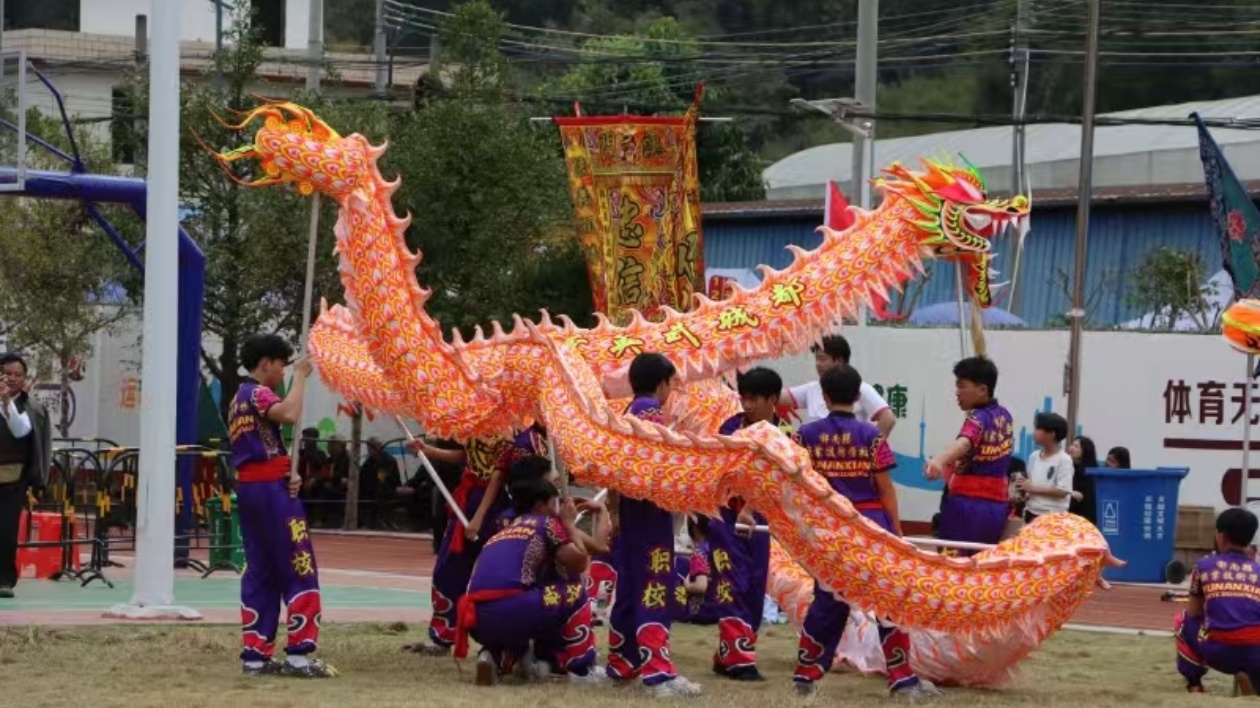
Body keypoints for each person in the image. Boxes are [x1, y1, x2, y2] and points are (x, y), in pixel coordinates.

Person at [792, 364, 939, 700]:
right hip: (871, 527)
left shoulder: (805, 436)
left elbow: (799, 485)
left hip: (829, 527)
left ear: (825, 397)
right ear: (858, 396)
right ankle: (902, 678)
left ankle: (806, 672)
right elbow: (885, 487)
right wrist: (897, 531)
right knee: (888, 599)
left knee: (828, 601)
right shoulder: (872, 436)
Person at [228, 333, 336, 678]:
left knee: (261, 570)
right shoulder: (259, 393)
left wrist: (286, 473)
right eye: (282, 365)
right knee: (298, 564)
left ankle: (255, 657)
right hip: (272, 495)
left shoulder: (237, 399)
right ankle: (300, 656)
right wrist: (302, 378)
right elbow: (288, 414)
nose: (283, 372)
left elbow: (263, 448)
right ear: (267, 363)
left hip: (253, 490)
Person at [605, 352, 703, 698]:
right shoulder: (651, 414)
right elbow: (661, 469)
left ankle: (622, 663)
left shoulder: (628, 412)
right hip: (650, 512)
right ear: (661, 384)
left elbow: (616, 469)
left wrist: (615, 512)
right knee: (654, 587)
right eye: (670, 385)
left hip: (632, 512)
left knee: (632, 585)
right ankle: (658, 673)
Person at [454, 477, 608, 686]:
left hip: (475, 619)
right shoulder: (548, 524)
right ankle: (581, 669)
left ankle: (492, 657)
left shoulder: (505, 528)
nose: (557, 508)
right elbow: (580, 563)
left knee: (532, 600)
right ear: (540, 504)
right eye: (554, 502)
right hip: (514, 609)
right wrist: (570, 524)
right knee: (575, 590)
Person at [709, 366, 789, 682]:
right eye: (744, 398)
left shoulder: (786, 436)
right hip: (726, 517)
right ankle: (740, 660)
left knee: (755, 587)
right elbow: (720, 471)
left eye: (754, 398)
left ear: (773, 400)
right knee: (732, 583)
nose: (748, 405)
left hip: (760, 522)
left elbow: (780, 480)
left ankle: (728, 653)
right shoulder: (731, 428)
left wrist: (754, 507)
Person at [403, 434, 515, 655]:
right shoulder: (476, 423)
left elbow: (498, 476)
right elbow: (467, 456)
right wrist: (427, 450)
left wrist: (479, 517)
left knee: (494, 574)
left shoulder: (506, 427)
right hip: (466, 498)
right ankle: (443, 635)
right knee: (447, 569)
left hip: (493, 506)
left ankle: (499, 640)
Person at [924, 356, 1013, 555]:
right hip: (997, 506)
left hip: (967, 506)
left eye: (962, 386)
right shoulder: (1005, 416)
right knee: (982, 566)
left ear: (982, 389)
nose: (957, 393)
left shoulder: (977, 418)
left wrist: (939, 460)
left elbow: (965, 441)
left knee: (952, 566)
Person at [1175, 507, 1260, 695]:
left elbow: (1194, 612)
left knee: (1182, 620)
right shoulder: (1258, 570)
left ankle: (1194, 684)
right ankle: (1252, 676)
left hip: (1219, 652)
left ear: (1220, 537)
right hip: (1256, 652)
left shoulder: (1204, 566)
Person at [0, 352, 48, 600]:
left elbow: (21, 432)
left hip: (13, 479)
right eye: (7, 373)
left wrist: (7, 403)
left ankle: (4, 581)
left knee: (6, 531)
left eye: (18, 375)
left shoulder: (31, 407)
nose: (12, 378)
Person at [783, 335, 895, 435]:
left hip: (850, 454)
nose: (817, 364)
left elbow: (888, 418)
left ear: (839, 360)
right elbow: (775, 396)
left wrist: (872, 449)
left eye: (822, 359)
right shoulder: (812, 388)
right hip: (817, 454)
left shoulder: (861, 388)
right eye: (816, 359)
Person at [1017, 413, 1074, 524]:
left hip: (1053, 517)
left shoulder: (1064, 459)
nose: (1034, 432)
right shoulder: (1034, 456)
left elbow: (1063, 491)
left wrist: (1033, 488)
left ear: (1051, 434)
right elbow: (1031, 483)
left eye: (1038, 428)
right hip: (1031, 513)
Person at [1068, 436, 1100, 523]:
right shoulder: (1070, 467)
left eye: (1076, 446)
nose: (1071, 448)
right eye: (1072, 445)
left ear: (1085, 450)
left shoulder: (1091, 472)